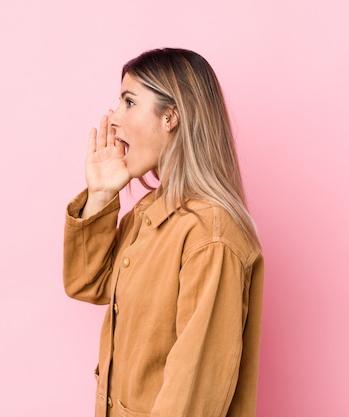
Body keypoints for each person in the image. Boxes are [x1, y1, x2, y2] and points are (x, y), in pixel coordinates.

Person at [63, 48, 264, 417]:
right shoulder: (149, 213)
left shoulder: (210, 236)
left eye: (128, 102)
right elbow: (87, 283)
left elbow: (193, 394)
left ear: (170, 116)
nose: (112, 119)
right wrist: (101, 195)